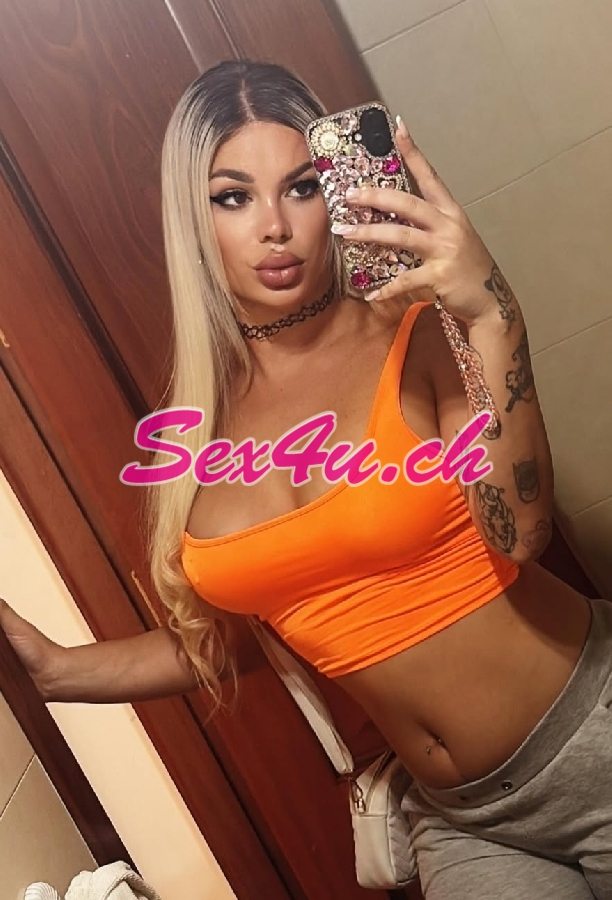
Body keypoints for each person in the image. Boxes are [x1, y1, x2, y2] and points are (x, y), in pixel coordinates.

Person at [1, 59, 610, 899]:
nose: (275, 227)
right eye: (233, 196)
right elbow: (248, 635)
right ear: (193, 219)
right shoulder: (198, 432)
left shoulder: (416, 333)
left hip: (592, 739)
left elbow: (524, 532)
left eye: (301, 187)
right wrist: (57, 671)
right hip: (462, 816)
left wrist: (492, 314)